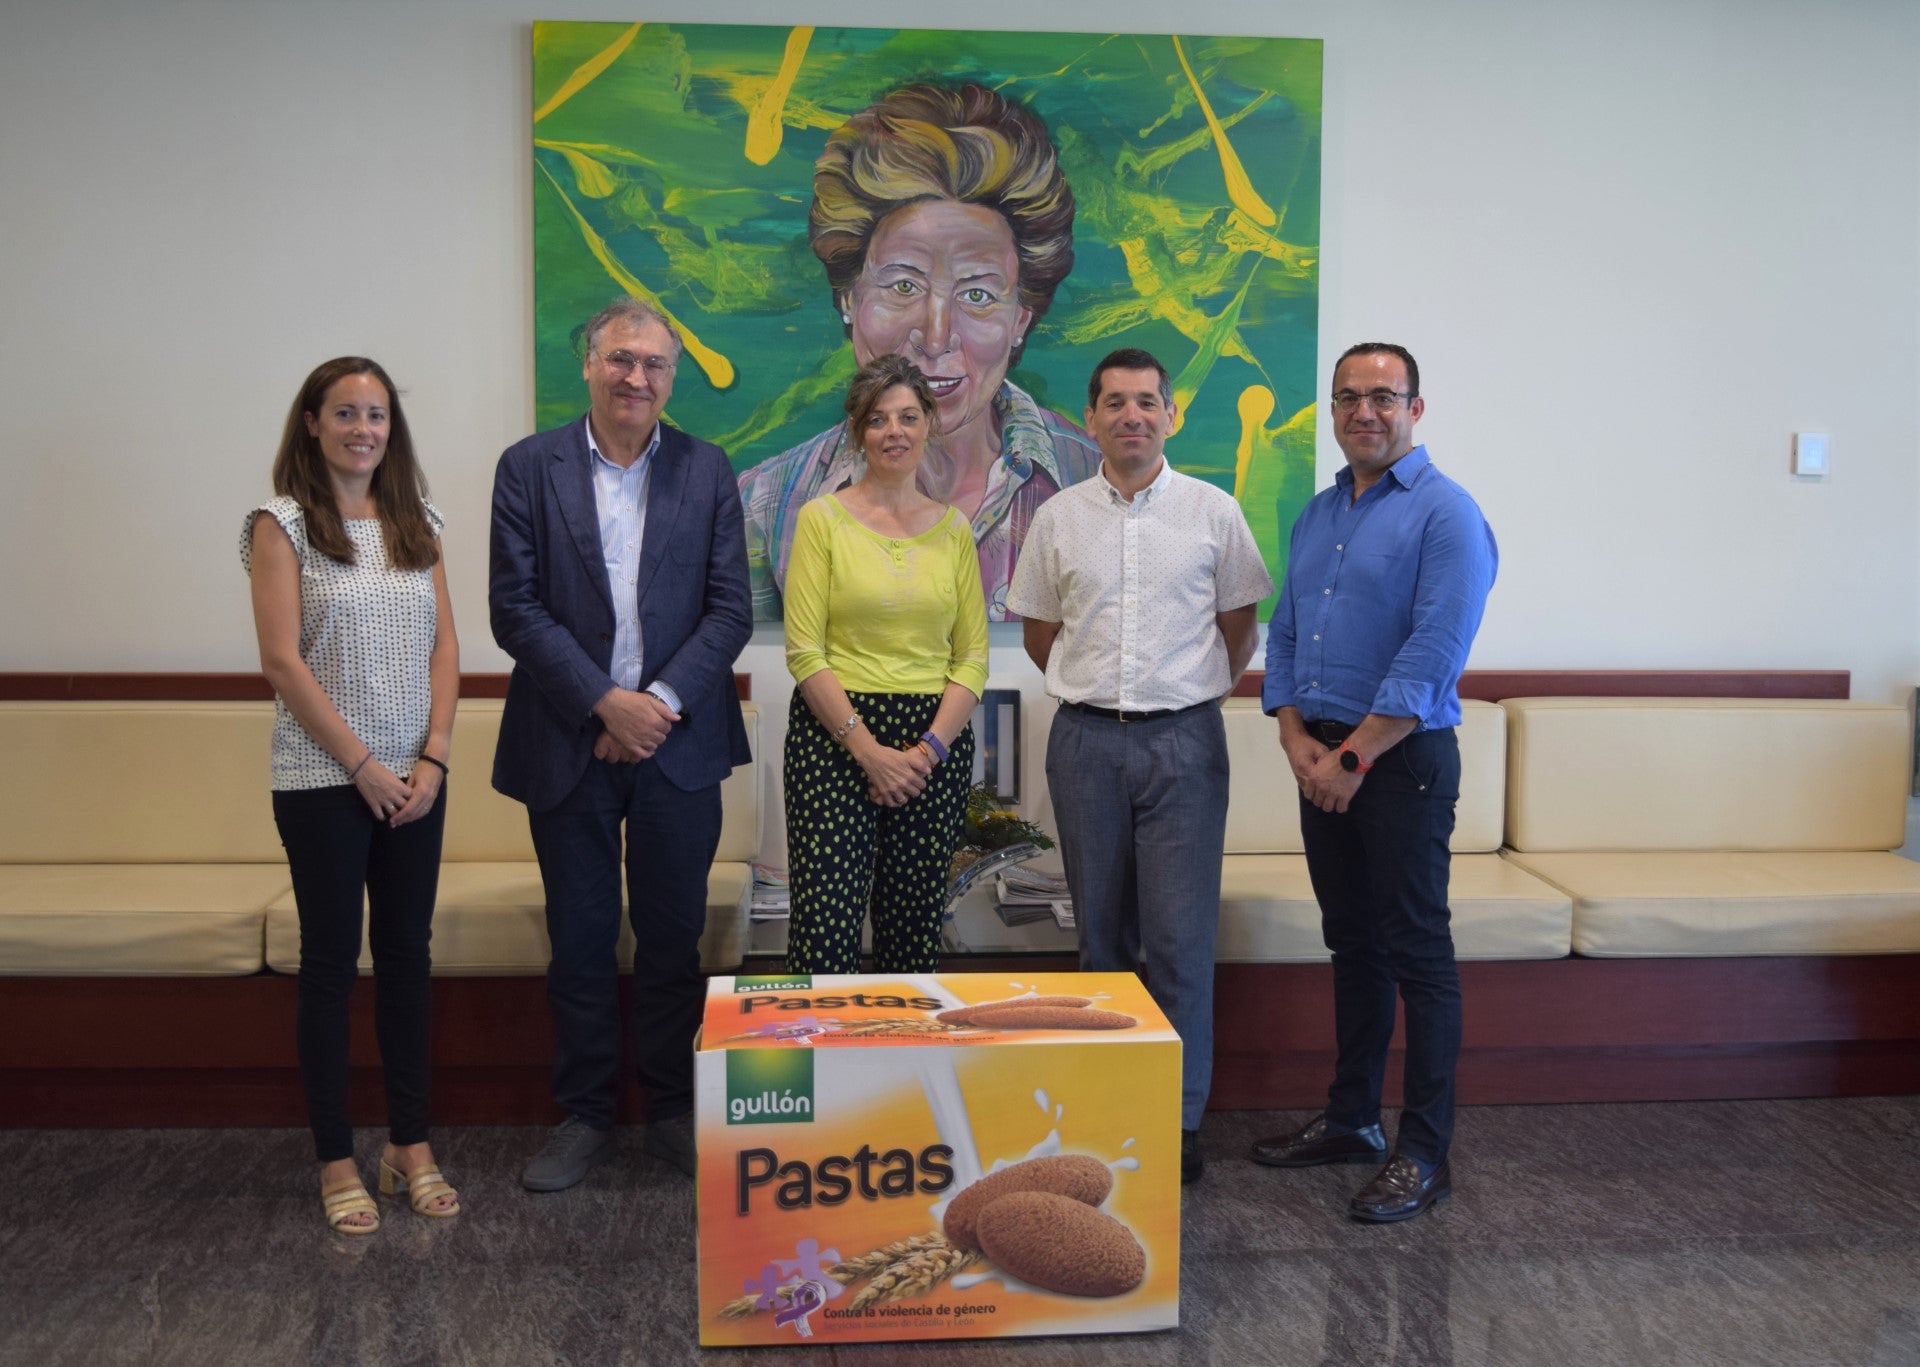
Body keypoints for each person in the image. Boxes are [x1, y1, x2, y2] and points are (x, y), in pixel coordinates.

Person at [489, 297, 753, 1192]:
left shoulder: (708, 470)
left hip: (679, 743)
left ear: (672, 377)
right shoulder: (528, 468)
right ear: (590, 363)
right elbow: (512, 607)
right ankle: (587, 1112)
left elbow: (729, 610)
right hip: (568, 740)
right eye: (621, 359)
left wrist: (655, 707)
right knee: (582, 935)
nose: (637, 377)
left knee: (675, 936)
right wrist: (606, 704)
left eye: (654, 365)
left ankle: (674, 1108)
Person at [1007, 347, 1273, 1184]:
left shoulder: (1214, 511)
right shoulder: (1057, 517)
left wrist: (1185, 695)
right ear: (1090, 419)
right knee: (1101, 941)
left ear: (1170, 415)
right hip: (1085, 742)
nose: (1132, 416)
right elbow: (1040, 632)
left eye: (1147, 402)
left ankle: (1176, 1118)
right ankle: (1109, 1105)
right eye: (1115, 403)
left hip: (1184, 744)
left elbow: (1240, 626)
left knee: (1180, 942)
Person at [1250, 342, 1498, 1224]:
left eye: (1384, 397)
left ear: (1416, 409)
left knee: (1418, 954)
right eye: (1348, 397)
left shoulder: (1447, 516)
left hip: (1398, 766)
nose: (1365, 411)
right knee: (1351, 944)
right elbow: (1284, 637)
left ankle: (1424, 1151)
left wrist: (1351, 758)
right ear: (1332, 408)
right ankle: (1352, 1118)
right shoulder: (1319, 514)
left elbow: (1434, 654)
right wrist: (1295, 740)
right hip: (1321, 761)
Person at [740, 81, 1099, 622]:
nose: (935, 338)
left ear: (1020, 319)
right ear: (847, 298)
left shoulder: (1093, 483)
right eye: (903, 286)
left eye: (977, 295)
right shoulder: (766, 506)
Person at [243, 357, 460, 1234]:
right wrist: (363, 763)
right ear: (312, 423)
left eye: (376, 414)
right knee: (332, 968)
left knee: (408, 960)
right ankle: (336, 1156)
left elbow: (446, 647)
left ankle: (410, 1144)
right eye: (345, 413)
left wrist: (434, 757)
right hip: (322, 782)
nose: (362, 428)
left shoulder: (421, 521)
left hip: (416, 783)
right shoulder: (280, 523)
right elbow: (282, 662)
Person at [782, 354, 988, 972]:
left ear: (930, 423)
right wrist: (869, 753)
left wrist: (924, 754)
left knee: (913, 932)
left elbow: (972, 657)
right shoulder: (822, 519)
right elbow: (804, 651)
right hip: (834, 736)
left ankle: (905, 1071)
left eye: (907, 417)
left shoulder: (954, 530)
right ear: (858, 432)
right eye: (877, 419)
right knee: (825, 931)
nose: (893, 431)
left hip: (934, 744)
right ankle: (824, 1069)